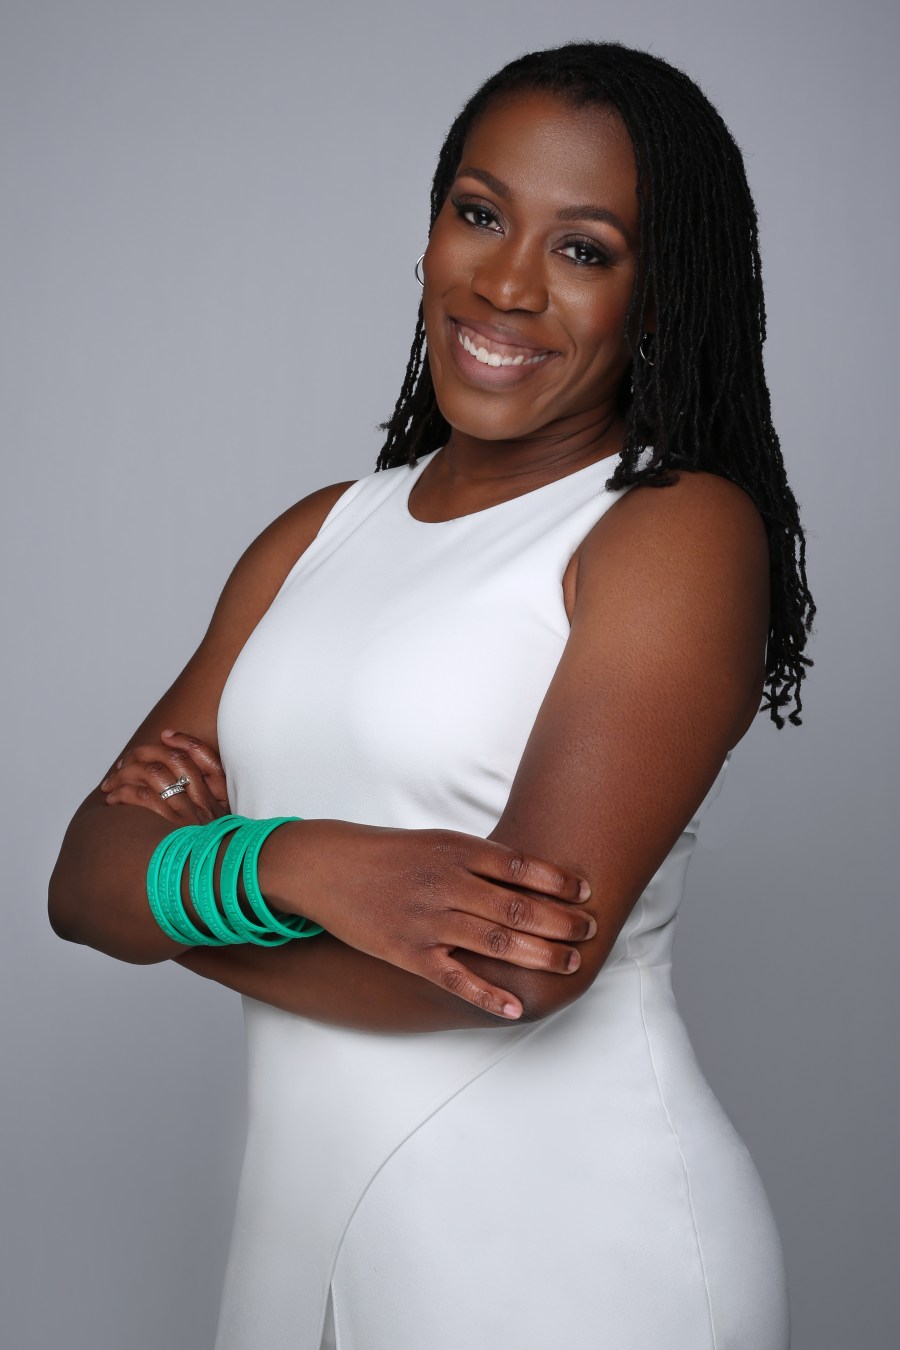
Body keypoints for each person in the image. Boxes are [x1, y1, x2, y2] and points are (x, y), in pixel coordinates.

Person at [49, 39, 814, 1350]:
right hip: (296, 1234)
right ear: (430, 234)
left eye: (584, 249)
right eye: (480, 213)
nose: (506, 283)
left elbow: (511, 967)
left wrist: (180, 893)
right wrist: (302, 862)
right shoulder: (317, 535)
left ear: (658, 296)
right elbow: (82, 880)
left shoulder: (672, 531)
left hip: (573, 1258)